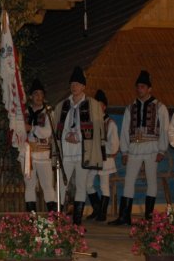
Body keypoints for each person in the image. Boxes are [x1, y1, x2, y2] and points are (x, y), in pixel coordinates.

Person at [109, 70, 170, 226]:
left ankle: (149, 218)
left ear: (149, 89)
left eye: (142, 86)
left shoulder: (160, 107)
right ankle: (124, 216)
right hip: (134, 148)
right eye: (138, 87)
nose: (139, 89)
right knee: (129, 180)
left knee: (151, 181)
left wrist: (162, 150)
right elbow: (124, 129)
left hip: (152, 148)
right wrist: (124, 151)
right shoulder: (131, 108)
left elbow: (164, 129)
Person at [53, 66, 105, 226]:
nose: (74, 86)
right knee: (62, 184)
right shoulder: (62, 105)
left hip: (83, 152)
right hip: (66, 153)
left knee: (82, 186)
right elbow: (58, 127)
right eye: (72, 84)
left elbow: (97, 129)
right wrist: (67, 135)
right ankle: (58, 219)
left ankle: (77, 223)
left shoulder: (93, 105)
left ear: (83, 87)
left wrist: (79, 136)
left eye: (77, 84)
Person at [22, 79, 56, 213]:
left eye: (41, 94)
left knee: (47, 185)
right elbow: (18, 131)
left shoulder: (48, 112)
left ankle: (52, 216)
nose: (39, 97)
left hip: (43, 154)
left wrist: (31, 128)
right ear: (31, 96)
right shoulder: (25, 113)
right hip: (27, 154)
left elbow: (47, 132)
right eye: (36, 94)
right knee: (29, 186)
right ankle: (31, 217)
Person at [85, 89, 119, 222]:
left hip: (105, 158)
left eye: (99, 105)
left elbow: (114, 144)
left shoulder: (110, 123)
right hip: (94, 158)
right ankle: (97, 208)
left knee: (104, 186)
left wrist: (104, 150)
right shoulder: (91, 123)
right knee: (88, 184)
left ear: (104, 106)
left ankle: (102, 214)